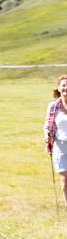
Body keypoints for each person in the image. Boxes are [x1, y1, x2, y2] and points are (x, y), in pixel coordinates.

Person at [43, 73, 67, 207]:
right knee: (64, 180)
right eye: (63, 85)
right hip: (60, 147)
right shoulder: (53, 107)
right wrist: (47, 134)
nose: (66, 88)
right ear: (58, 88)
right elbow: (48, 124)